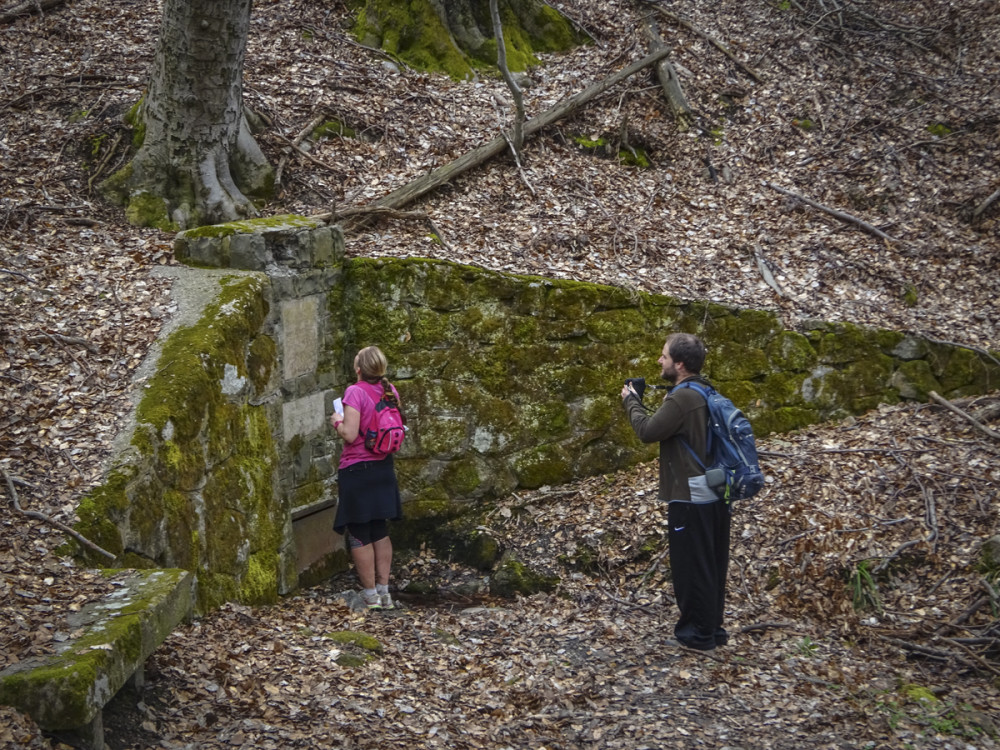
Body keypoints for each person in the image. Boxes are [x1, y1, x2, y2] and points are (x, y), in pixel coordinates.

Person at [621, 333, 730, 651]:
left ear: (679, 364)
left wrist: (631, 400)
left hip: (691, 495)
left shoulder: (683, 398)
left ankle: (698, 634)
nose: (659, 360)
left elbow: (647, 431)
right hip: (715, 491)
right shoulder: (706, 390)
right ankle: (712, 628)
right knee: (711, 562)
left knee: (691, 567)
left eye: (664, 356)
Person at [330, 346, 403, 611]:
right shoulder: (389, 390)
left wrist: (337, 420)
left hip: (357, 469)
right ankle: (385, 593)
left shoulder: (355, 391)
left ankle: (370, 596)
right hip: (383, 466)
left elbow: (350, 434)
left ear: (359, 368)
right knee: (380, 529)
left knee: (359, 531)